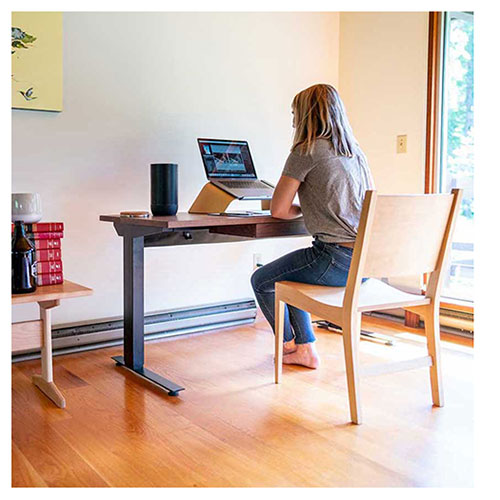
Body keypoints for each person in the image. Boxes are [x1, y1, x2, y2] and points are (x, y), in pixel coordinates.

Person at [250, 83, 374, 369]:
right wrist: (318, 210)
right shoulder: (356, 153)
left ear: (306, 116)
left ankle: (291, 345)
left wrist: (305, 210)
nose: (293, 120)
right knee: (294, 275)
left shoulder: (306, 150)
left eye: (295, 113)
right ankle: (305, 349)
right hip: (365, 265)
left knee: (262, 281)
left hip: (335, 260)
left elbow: (278, 209)